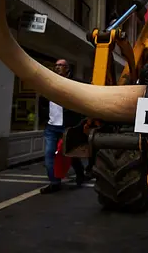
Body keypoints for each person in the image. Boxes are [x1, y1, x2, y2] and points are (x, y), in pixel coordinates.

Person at [39, 59, 87, 194]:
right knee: (49, 153)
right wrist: (44, 118)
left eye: (61, 65)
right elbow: (42, 101)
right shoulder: (49, 82)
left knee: (69, 153)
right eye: (56, 65)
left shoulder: (74, 83)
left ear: (67, 68)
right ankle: (54, 183)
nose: (58, 67)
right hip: (52, 126)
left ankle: (80, 174)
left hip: (67, 126)